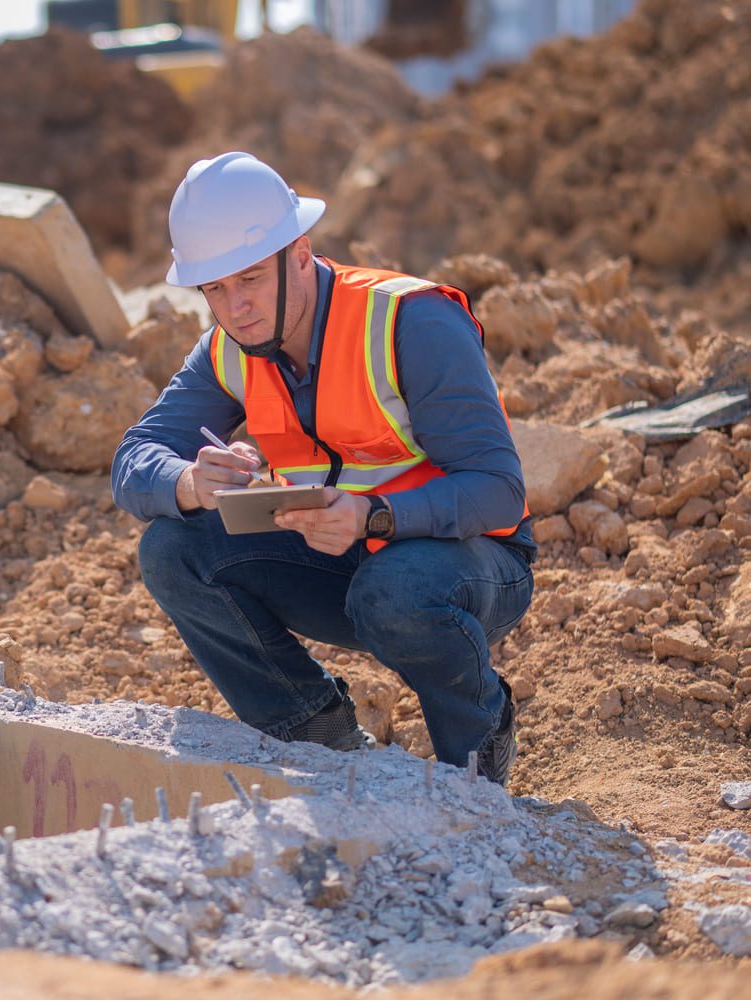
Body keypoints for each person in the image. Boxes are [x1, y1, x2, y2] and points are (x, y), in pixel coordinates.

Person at [111, 152, 534, 785]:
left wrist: (375, 515)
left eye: (250, 279)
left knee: (395, 589)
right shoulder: (229, 349)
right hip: (342, 563)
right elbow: (131, 462)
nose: (235, 308)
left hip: (463, 568)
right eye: (215, 289)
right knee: (172, 548)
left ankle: (476, 751)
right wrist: (190, 482)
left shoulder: (411, 321)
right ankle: (320, 736)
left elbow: (499, 492)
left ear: (300, 255)